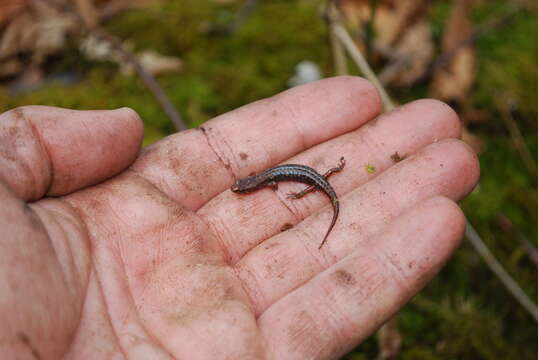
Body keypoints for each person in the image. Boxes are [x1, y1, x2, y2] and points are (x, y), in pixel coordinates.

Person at [0, 76, 479, 359]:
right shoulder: (265, 180)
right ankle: (328, 189)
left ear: (254, 185)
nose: (242, 191)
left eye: (242, 188)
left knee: (320, 184)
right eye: (243, 188)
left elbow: (280, 180)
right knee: (318, 182)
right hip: (308, 175)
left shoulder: (272, 181)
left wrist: (308, 186)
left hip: (309, 176)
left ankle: (330, 190)